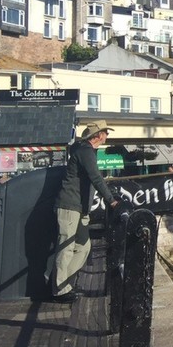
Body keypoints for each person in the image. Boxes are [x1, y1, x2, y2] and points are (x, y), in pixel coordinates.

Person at [49, 120, 121, 303]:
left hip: (79, 208)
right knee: (66, 247)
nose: (107, 136)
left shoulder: (86, 151)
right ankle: (59, 289)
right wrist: (111, 200)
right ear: (98, 135)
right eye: (106, 132)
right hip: (69, 205)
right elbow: (96, 178)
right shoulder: (85, 151)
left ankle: (63, 283)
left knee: (83, 246)